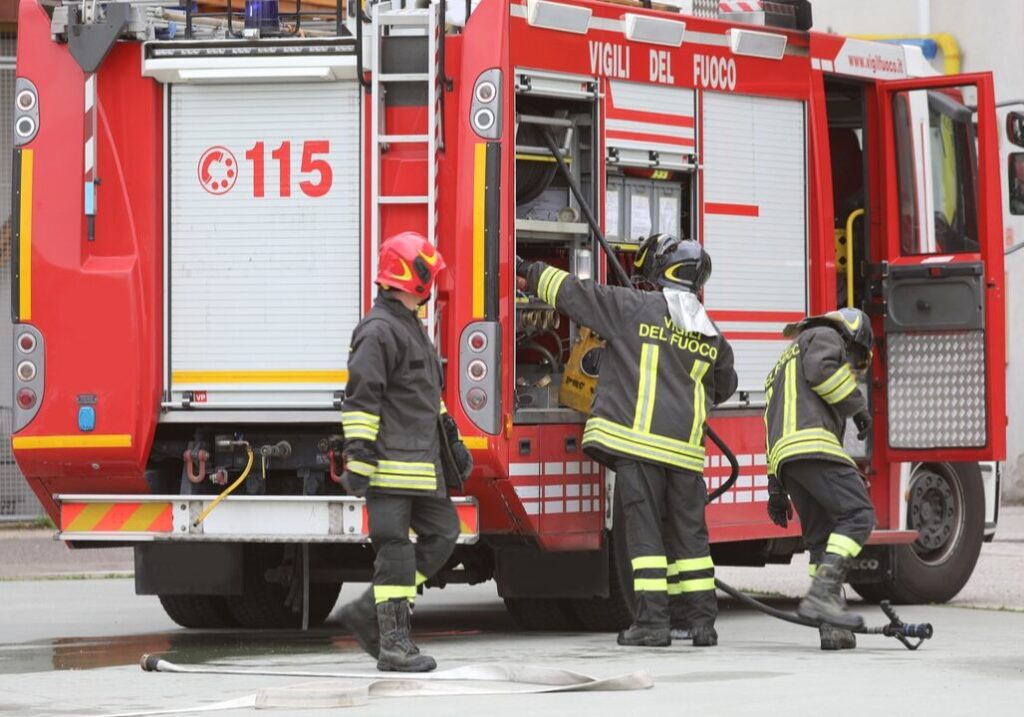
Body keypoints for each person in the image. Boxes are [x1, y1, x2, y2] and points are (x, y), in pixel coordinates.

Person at [516, 234, 737, 647]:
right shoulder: (710, 333)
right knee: (691, 539)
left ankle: (652, 624)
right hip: (686, 457)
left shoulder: (635, 308)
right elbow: (724, 385)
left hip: (639, 447)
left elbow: (576, 295)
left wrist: (528, 271)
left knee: (646, 536)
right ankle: (702, 624)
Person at [336, 231, 473, 672]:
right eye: (427, 274)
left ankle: (367, 613)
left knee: (444, 534)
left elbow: (424, 394)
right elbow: (361, 399)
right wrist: (359, 456)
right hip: (390, 467)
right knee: (394, 551)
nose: (432, 283)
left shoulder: (410, 326)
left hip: (423, 464)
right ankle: (394, 644)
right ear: (411, 276)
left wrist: (450, 435)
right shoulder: (377, 331)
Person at [762, 307, 876, 650]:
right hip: (813, 446)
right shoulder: (823, 335)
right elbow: (822, 369)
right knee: (859, 515)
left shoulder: (782, 364)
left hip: (788, 460)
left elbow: (770, 422)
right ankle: (823, 595)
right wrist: (857, 407)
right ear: (852, 334)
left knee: (821, 540)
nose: (851, 371)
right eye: (853, 360)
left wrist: (776, 487)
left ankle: (832, 627)